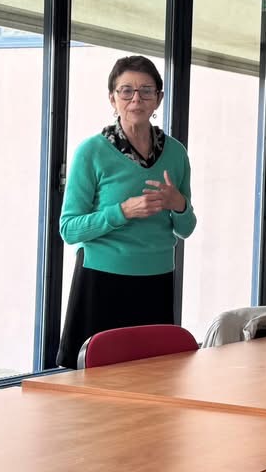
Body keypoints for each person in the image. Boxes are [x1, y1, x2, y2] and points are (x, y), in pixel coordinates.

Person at [58, 55, 196, 369]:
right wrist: (122, 211)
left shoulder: (175, 152)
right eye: (126, 91)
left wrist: (179, 205)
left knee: (155, 377)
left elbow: (186, 228)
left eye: (147, 91)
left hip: (157, 279)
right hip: (102, 280)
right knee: (95, 381)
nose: (136, 99)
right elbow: (69, 229)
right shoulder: (91, 151)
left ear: (159, 98)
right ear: (112, 98)